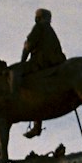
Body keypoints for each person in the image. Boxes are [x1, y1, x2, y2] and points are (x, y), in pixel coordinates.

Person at [20, 8, 66, 137]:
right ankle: (36, 126)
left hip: (41, 61)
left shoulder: (39, 28)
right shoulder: (51, 31)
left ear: (38, 18)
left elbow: (28, 45)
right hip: (57, 62)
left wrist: (22, 61)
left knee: (14, 72)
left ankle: (14, 100)